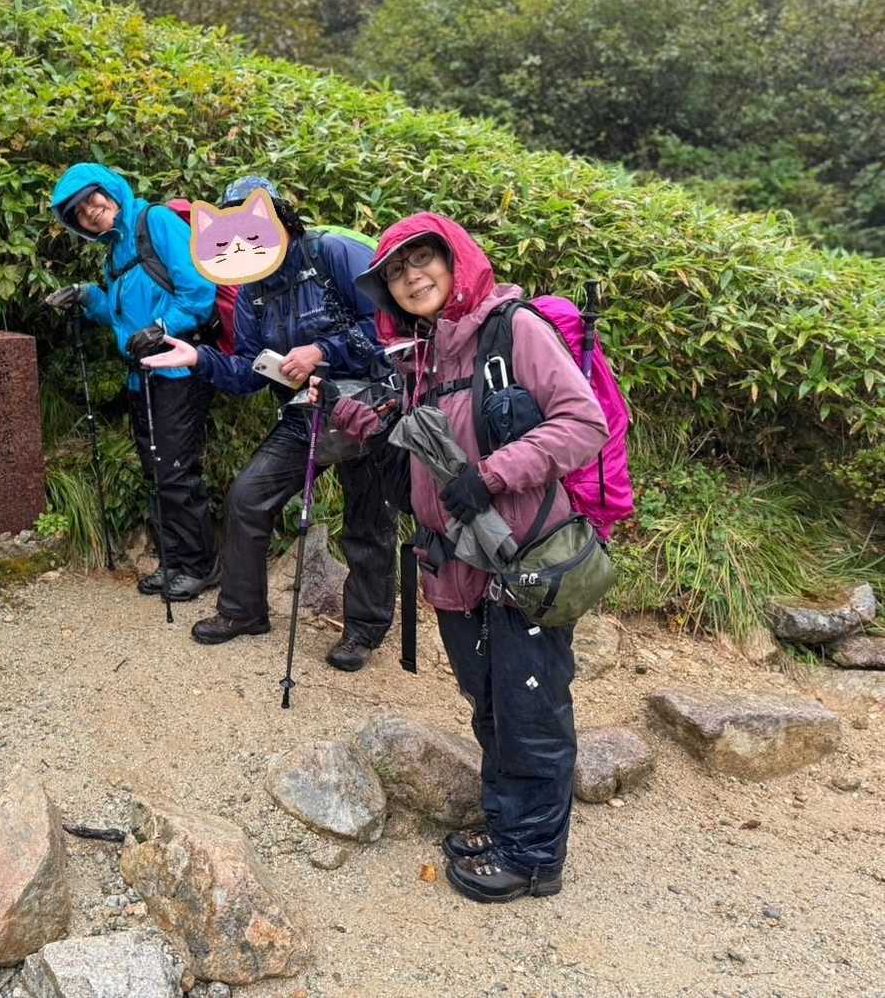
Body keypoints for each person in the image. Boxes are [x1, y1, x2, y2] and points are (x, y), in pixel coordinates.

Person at [329, 212, 608, 903]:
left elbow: (583, 423)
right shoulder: (420, 357)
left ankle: (534, 859)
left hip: (523, 560)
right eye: (395, 272)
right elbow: (423, 469)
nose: (411, 277)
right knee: (489, 703)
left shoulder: (513, 331)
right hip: (455, 566)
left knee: (530, 710)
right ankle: (508, 824)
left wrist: (491, 475)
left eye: (422, 258)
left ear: (456, 259)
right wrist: (371, 429)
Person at [142, 175, 397, 671]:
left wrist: (322, 350)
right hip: (305, 414)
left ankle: (363, 632)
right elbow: (248, 372)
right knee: (247, 497)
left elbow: (389, 326)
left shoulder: (333, 254)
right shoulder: (252, 291)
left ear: (282, 218)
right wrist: (199, 358)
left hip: (368, 410)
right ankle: (243, 611)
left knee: (368, 522)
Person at [45, 163, 221, 601]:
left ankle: (199, 565)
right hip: (142, 376)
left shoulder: (154, 221)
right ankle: (173, 560)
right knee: (155, 469)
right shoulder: (114, 251)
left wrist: (161, 328)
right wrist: (88, 295)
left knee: (175, 469)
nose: (89, 212)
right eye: (78, 213)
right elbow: (119, 314)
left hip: (177, 368)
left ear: (108, 189)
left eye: (91, 199)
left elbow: (199, 291)